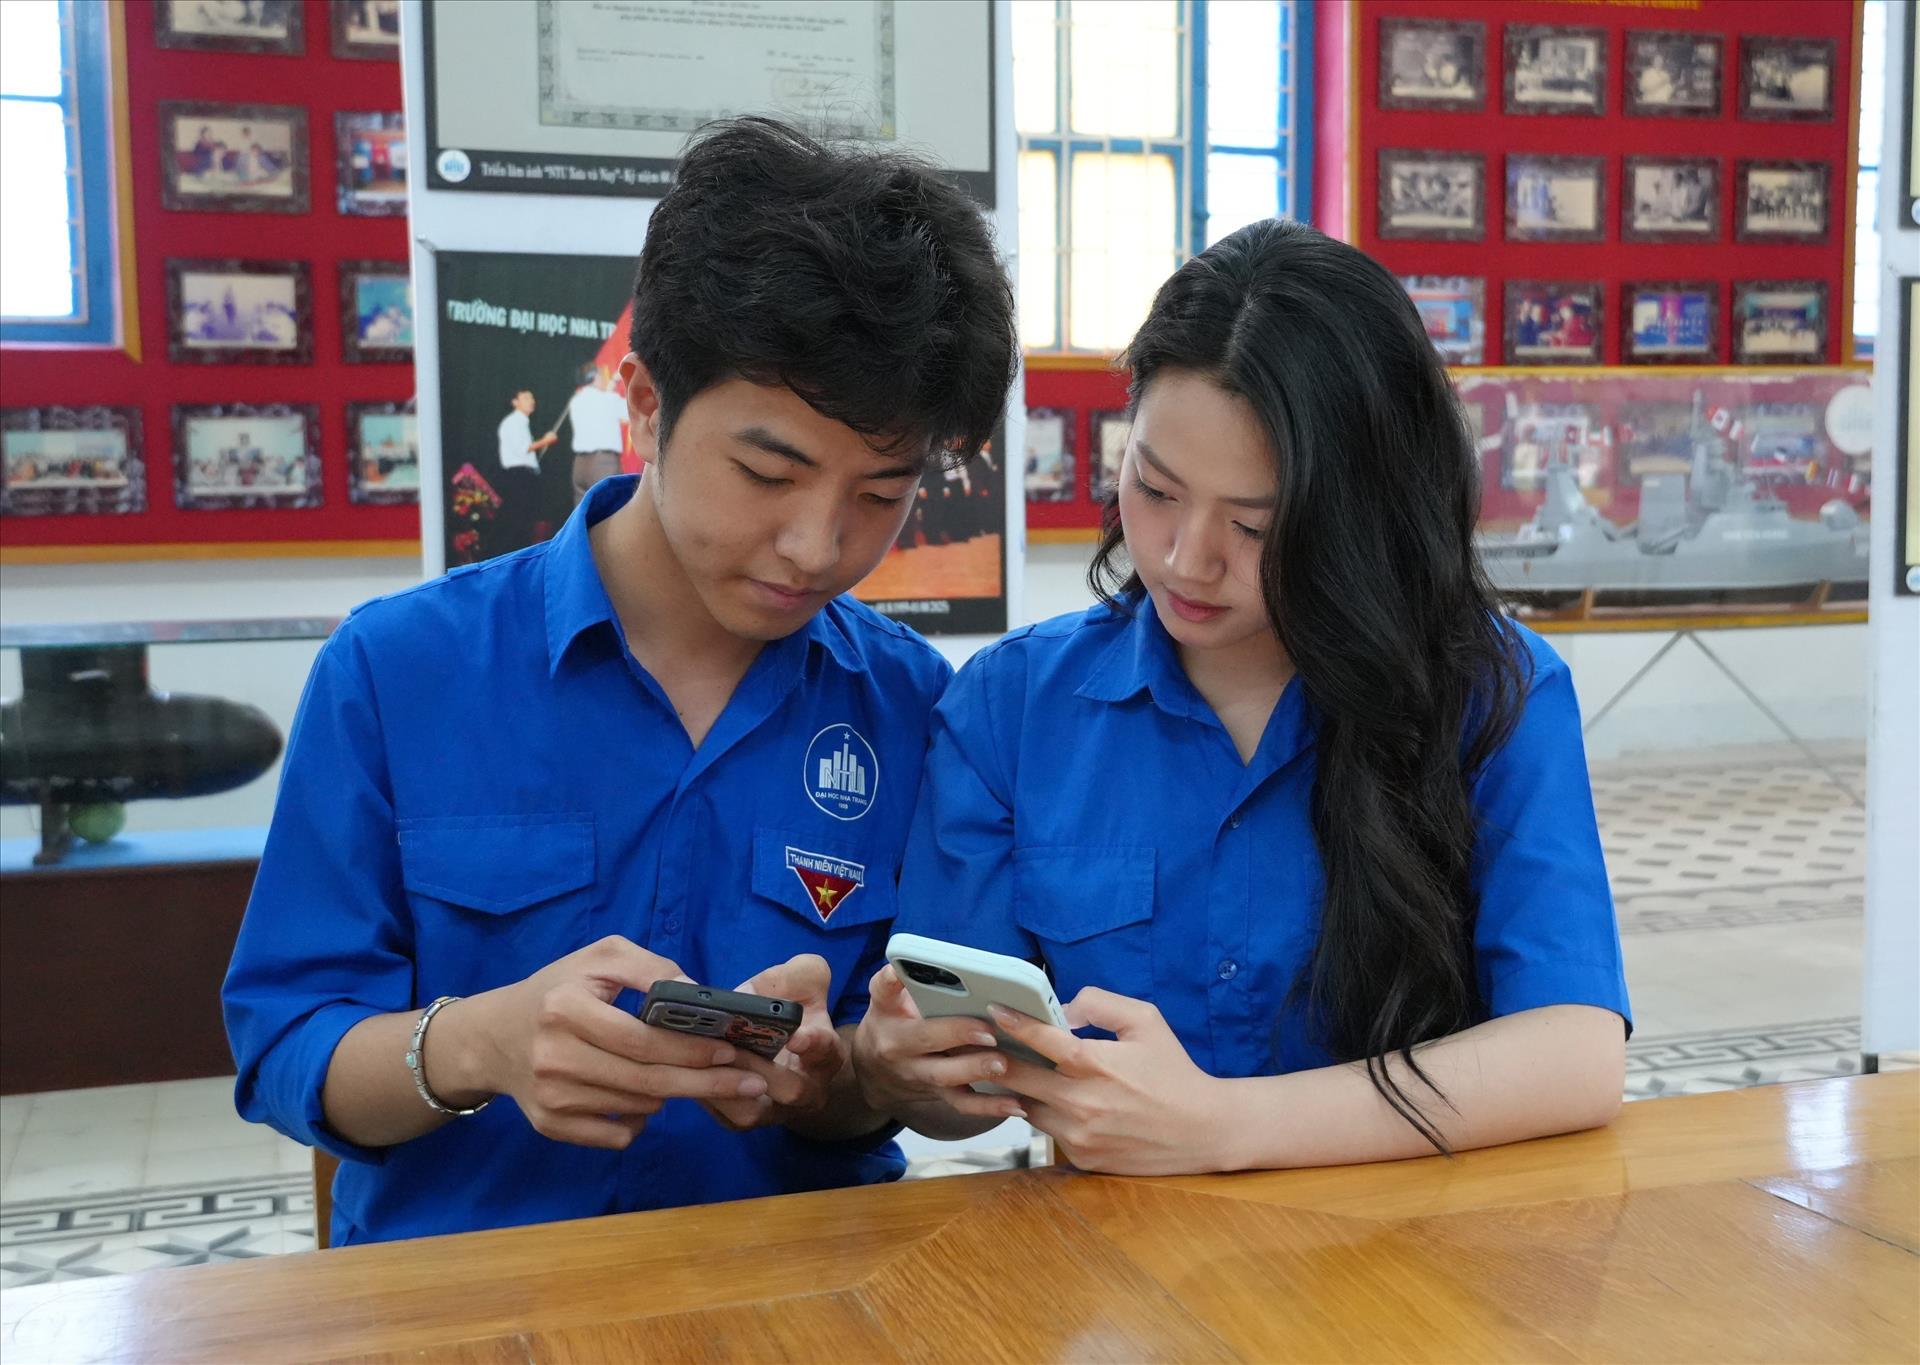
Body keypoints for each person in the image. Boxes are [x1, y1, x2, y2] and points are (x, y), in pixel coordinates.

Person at [223, 116, 1017, 1245]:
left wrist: (841, 1078)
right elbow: (284, 1048)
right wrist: (478, 1044)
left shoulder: (909, 707)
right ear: (643, 404)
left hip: (796, 1287)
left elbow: (884, 1086)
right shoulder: (399, 671)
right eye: (767, 472)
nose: (816, 545)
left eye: (881, 495)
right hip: (468, 1297)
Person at [854, 219, 1629, 1175]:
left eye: (1256, 527)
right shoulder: (1012, 707)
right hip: (1126, 1254)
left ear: (1365, 515)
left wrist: (1224, 1127)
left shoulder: (1491, 694)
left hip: (1416, 1241)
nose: (1188, 560)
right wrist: (900, 1071)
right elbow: (955, 1103)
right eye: (1155, 489)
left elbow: (1574, 1055)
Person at [493, 387, 557, 553]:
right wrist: (546, 441)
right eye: (526, 398)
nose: (532, 401)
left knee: (528, 520)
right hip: (518, 477)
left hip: (525, 476)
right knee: (519, 520)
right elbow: (524, 448)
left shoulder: (522, 423)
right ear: (515, 402)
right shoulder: (513, 422)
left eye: (532, 398)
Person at [563, 362, 630, 506]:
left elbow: (602, 402)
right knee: (611, 512)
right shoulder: (608, 399)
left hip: (580, 465)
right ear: (595, 377)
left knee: (584, 513)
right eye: (602, 375)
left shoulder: (576, 401)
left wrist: (613, 382)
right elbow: (631, 412)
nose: (604, 378)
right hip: (603, 463)